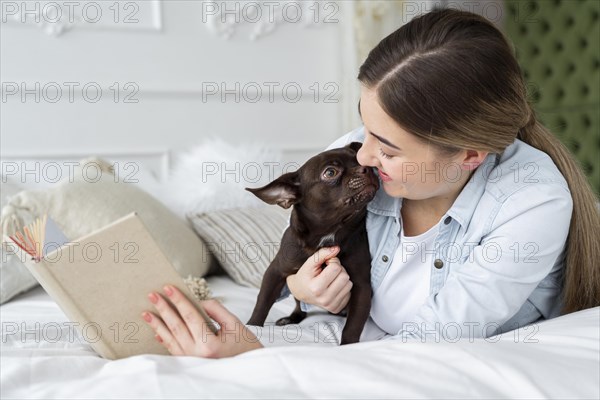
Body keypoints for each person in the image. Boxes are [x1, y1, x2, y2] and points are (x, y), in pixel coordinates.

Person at [141, 8, 600, 358]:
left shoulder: (530, 204)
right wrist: (302, 290)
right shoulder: (361, 159)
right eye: (365, 128)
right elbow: (315, 281)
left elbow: (426, 345)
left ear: (469, 156)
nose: (361, 155)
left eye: (388, 147)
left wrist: (256, 352)